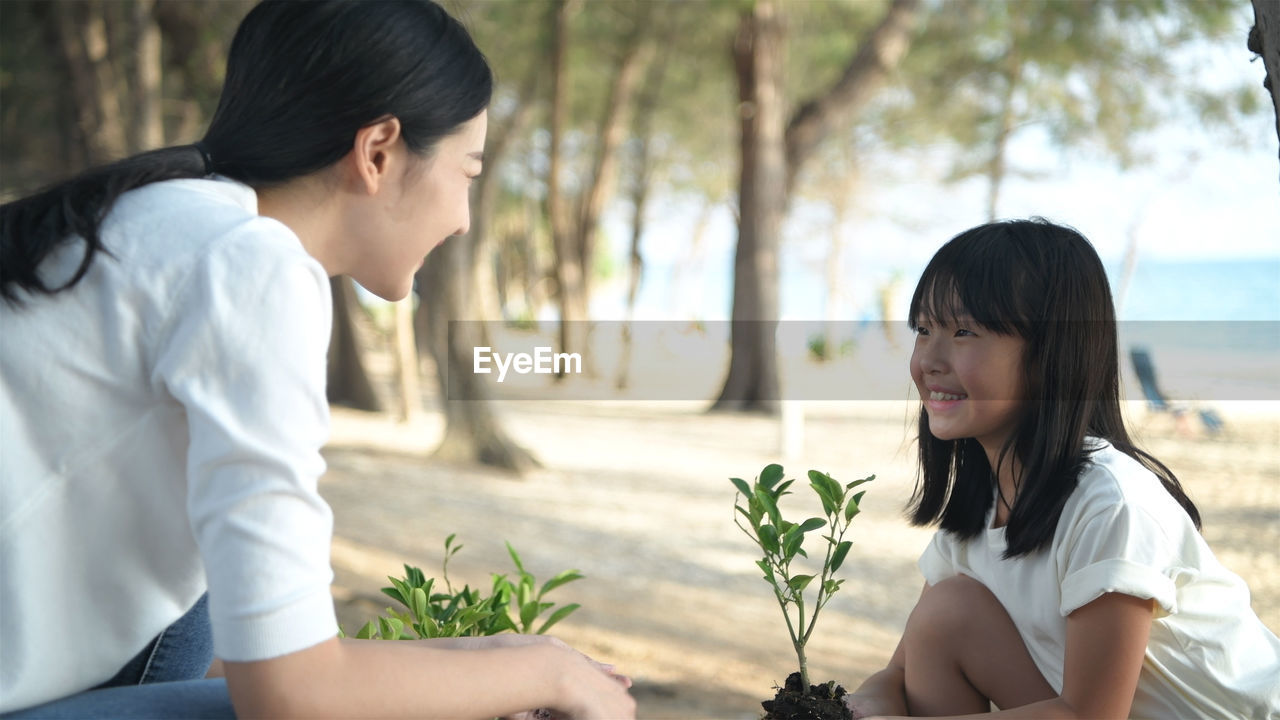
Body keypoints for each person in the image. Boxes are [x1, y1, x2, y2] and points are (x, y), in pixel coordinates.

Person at [0, 2, 635, 718]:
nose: (463, 216)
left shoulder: (158, 216)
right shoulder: (249, 263)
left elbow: (233, 646)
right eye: (468, 172)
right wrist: (547, 676)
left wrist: (479, 657)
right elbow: (291, 697)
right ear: (379, 152)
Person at [843, 219, 1280, 719]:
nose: (930, 360)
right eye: (924, 329)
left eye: (964, 331)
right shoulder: (978, 515)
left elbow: (1089, 716)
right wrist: (859, 705)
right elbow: (897, 676)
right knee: (946, 614)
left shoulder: (1111, 504)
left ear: (1050, 352)